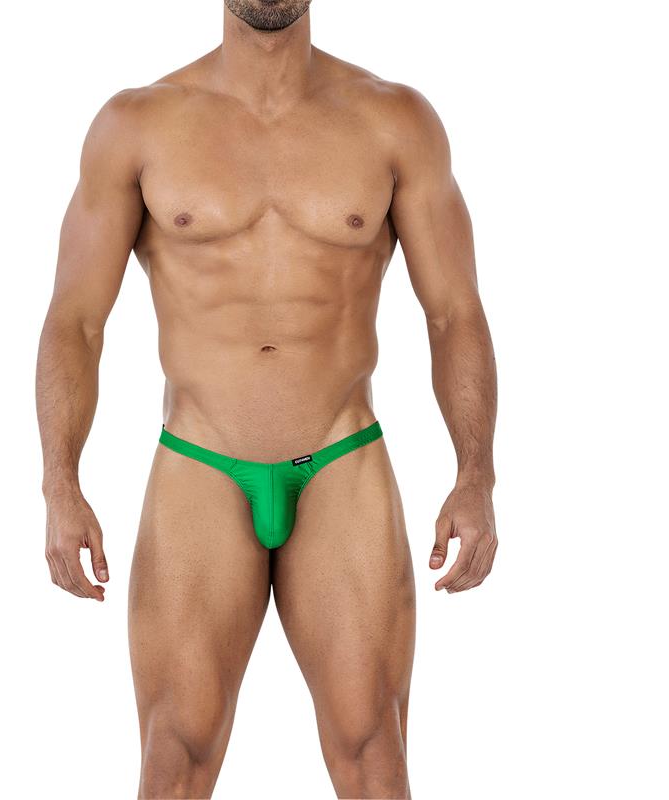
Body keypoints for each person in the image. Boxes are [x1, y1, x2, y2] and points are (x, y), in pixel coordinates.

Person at [36, 1, 499, 796]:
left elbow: (454, 312)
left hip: (342, 458)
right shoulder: (136, 126)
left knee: (373, 751)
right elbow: (74, 321)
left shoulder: (395, 122)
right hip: (200, 459)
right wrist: (59, 483)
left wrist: (475, 474)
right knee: (174, 753)